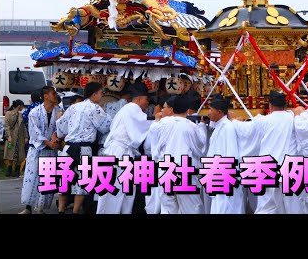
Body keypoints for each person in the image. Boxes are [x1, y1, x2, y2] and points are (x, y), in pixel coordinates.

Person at [55, 82, 112, 214]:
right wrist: (104, 111)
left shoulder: (73, 107)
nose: (102, 95)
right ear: (94, 94)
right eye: (101, 93)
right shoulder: (95, 108)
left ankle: (61, 210)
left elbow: (61, 129)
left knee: (64, 180)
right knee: (83, 182)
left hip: (68, 148)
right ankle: (75, 211)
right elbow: (105, 127)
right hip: (84, 148)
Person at [96, 83, 152, 214]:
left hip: (120, 153)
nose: (147, 103)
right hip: (119, 153)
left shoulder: (127, 109)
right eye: (146, 100)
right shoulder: (132, 108)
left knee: (122, 191)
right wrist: (157, 119)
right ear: (138, 99)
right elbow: (144, 127)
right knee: (115, 191)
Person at [159, 95, 205, 214]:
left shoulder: (164, 124)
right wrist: (202, 126)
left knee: (168, 207)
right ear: (188, 110)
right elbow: (199, 146)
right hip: (184, 169)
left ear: (173, 109)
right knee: (190, 207)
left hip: (166, 168)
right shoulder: (190, 126)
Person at [19, 86, 61, 214]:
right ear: (46, 96)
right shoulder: (35, 112)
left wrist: (55, 137)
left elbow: (60, 127)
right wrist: (48, 142)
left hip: (51, 151)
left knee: (47, 179)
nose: (55, 95)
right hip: (37, 149)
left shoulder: (58, 111)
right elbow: (34, 132)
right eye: (53, 93)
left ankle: (40, 207)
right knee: (32, 178)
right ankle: (28, 207)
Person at [205, 94, 245, 214]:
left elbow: (231, 153)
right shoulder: (219, 126)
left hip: (224, 175)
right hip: (217, 174)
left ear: (219, 112)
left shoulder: (228, 128)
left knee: (226, 207)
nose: (208, 113)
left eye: (211, 110)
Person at [4, 100, 28, 177]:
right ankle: (9, 169)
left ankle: (17, 170)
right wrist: (9, 136)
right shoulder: (8, 113)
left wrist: (26, 137)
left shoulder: (20, 115)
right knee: (10, 153)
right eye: (22, 106)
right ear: (19, 106)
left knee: (20, 154)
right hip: (12, 136)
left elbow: (23, 127)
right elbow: (6, 126)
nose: (22, 108)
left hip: (20, 137)